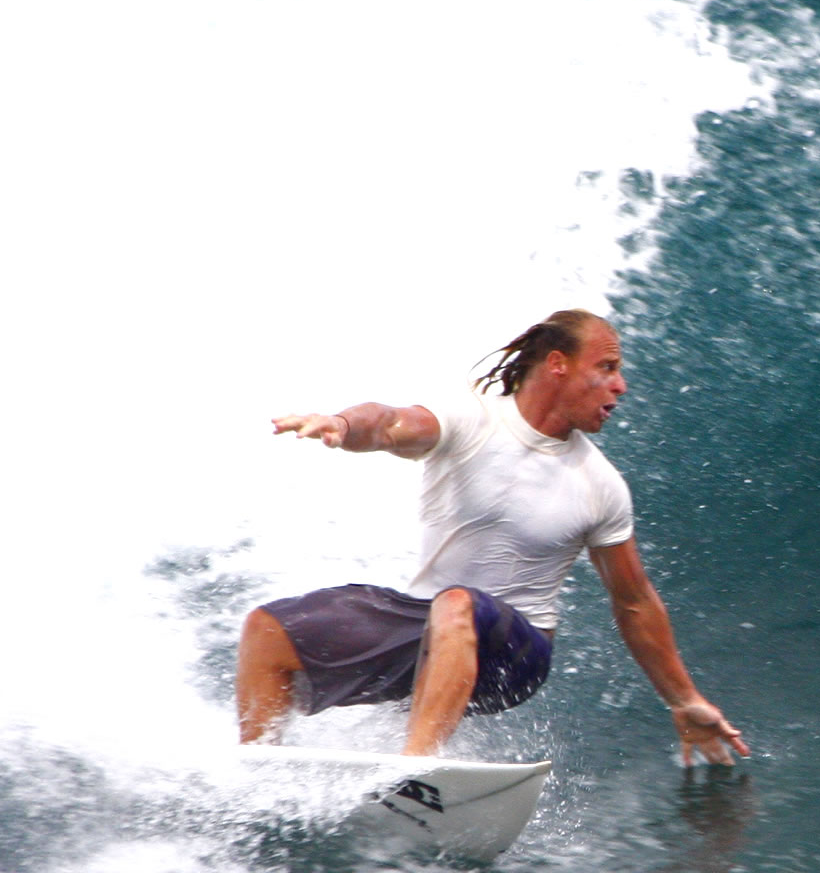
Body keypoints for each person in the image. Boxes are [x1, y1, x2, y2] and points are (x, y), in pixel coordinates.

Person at [234, 308, 746, 766]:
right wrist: (342, 424)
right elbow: (390, 423)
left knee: (457, 605)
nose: (621, 386)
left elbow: (634, 602)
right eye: (607, 367)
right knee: (268, 629)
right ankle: (258, 780)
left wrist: (684, 700)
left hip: (517, 654)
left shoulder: (601, 485)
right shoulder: (473, 419)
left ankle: (414, 771)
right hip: (428, 629)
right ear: (557, 364)